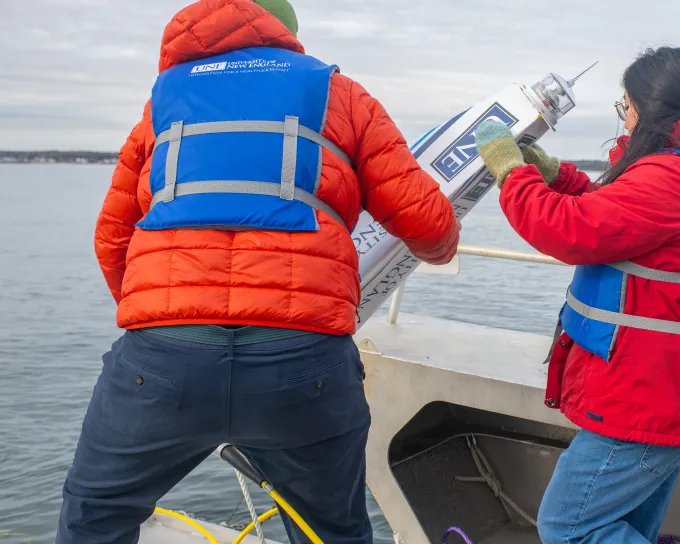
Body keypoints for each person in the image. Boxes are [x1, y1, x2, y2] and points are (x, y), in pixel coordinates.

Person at [57, 0, 460, 542]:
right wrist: (437, 249)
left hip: (164, 360)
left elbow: (112, 238)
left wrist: (163, 314)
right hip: (302, 363)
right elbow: (430, 226)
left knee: (96, 514)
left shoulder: (163, 104)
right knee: (330, 530)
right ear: (284, 33)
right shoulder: (340, 94)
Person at [475, 47, 680, 543]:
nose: (623, 119)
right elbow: (616, 212)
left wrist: (510, 171)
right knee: (624, 529)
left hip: (644, 394)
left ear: (647, 107)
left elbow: (569, 229)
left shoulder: (674, 177)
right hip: (662, 388)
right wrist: (552, 172)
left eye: (624, 106)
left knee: (569, 528)